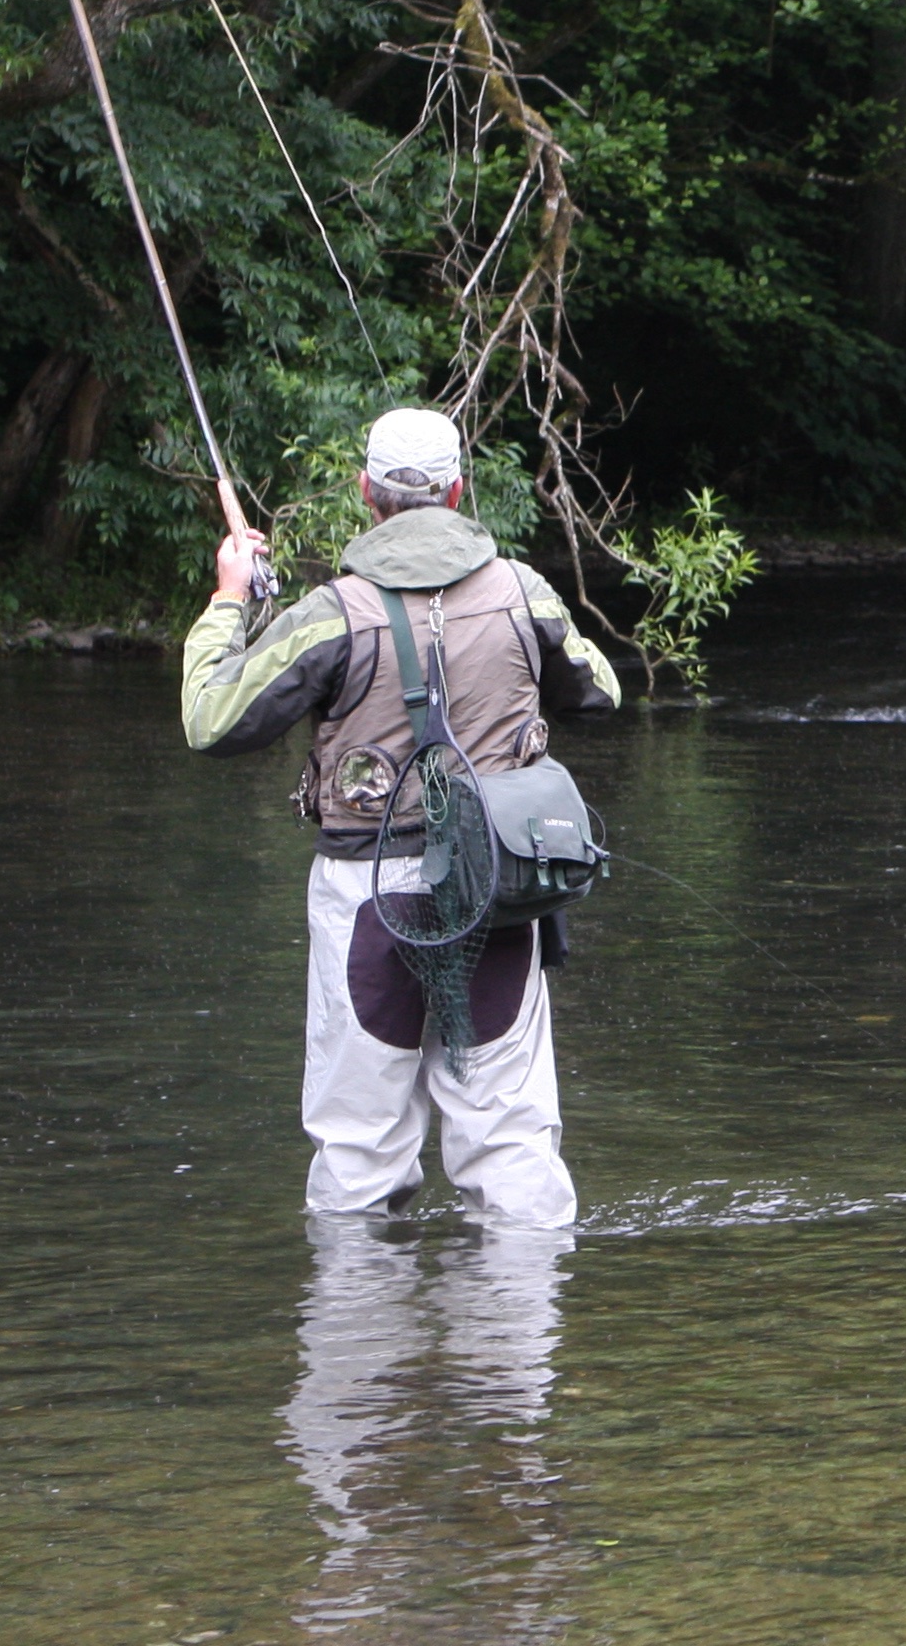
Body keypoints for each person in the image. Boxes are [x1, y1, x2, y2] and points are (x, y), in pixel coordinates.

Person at [181, 407, 621, 1226]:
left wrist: (230, 599)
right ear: (459, 490)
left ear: (365, 494)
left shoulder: (329, 613)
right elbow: (601, 689)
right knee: (513, 1144)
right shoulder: (524, 593)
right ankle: (513, 1347)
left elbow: (211, 720)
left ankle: (361, 1340)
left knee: (359, 1150)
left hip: (367, 897)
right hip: (495, 890)